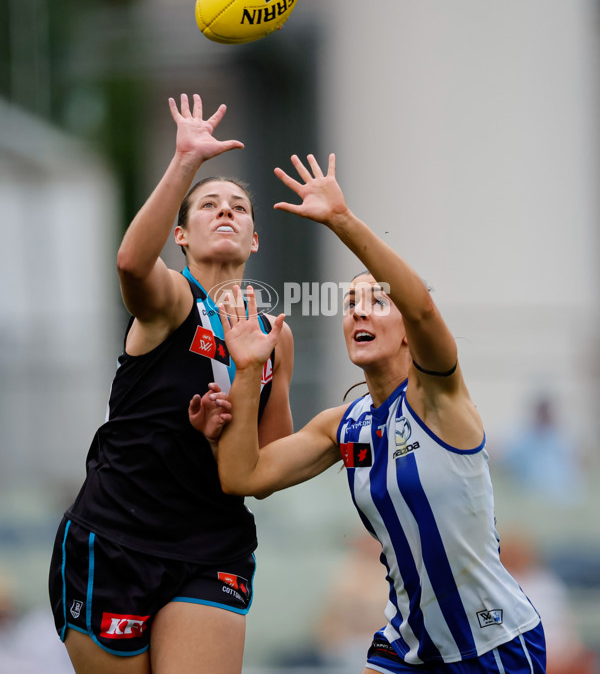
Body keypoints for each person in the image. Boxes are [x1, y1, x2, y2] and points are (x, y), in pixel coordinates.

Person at [214, 153, 547, 673]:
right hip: (408, 645)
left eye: (377, 301)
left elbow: (422, 307)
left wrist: (341, 221)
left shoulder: (441, 399)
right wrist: (247, 372)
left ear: (409, 330)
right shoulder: (343, 423)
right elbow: (243, 476)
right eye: (350, 304)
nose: (359, 312)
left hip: (491, 643)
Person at [47, 93, 294, 674]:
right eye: (208, 205)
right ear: (181, 237)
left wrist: (233, 410)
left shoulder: (272, 335)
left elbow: (267, 469)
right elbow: (132, 263)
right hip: (118, 537)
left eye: (239, 206)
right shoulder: (171, 300)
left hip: (212, 546)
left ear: (255, 239)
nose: (226, 211)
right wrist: (186, 161)